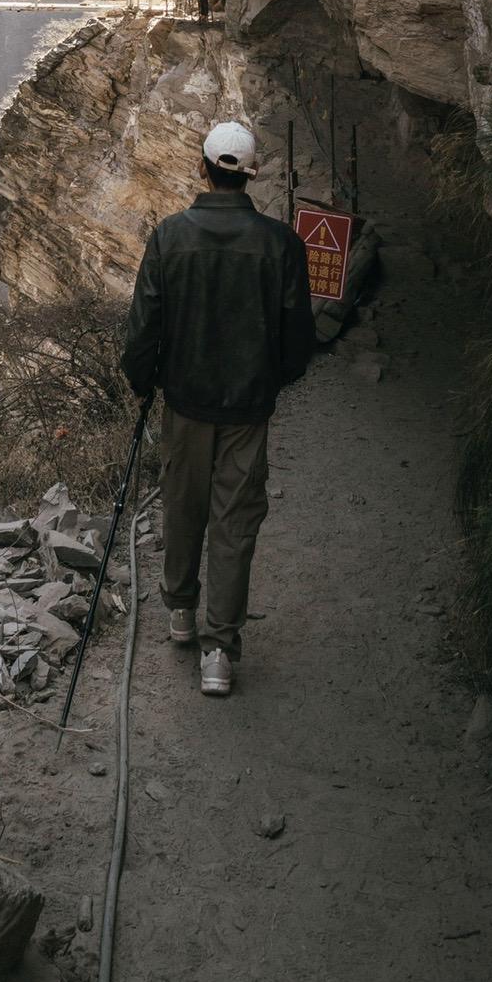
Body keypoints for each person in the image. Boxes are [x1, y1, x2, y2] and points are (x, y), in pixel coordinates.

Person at [120, 120, 315, 698]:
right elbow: (298, 338)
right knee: (234, 525)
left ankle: (180, 609)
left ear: (202, 168)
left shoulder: (169, 236)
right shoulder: (281, 244)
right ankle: (219, 652)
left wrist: (143, 380)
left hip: (184, 403)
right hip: (246, 410)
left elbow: (144, 325)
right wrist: (270, 382)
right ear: (249, 176)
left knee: (183, 506)